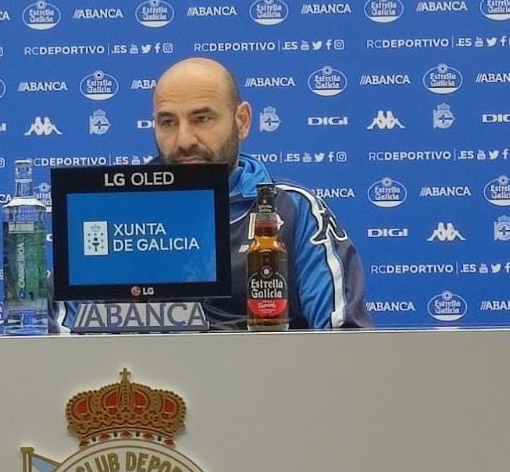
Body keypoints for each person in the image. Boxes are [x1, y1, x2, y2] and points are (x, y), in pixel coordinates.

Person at [147, 56, 370, 330]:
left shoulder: (294, 210)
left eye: (201, 119)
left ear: (242, 121)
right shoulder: (116, 212)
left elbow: (346, 342)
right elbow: (81, 341)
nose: (184, 140)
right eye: (168, 122)